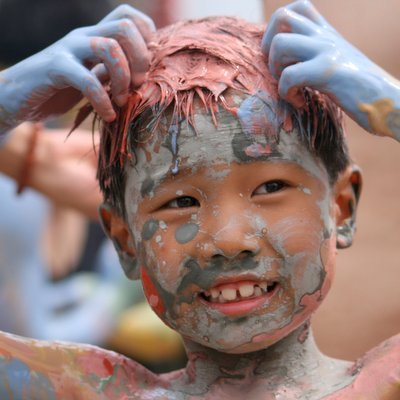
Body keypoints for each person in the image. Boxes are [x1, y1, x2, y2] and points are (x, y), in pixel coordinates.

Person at [0, 1, 399, 399]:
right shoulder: (89, 390)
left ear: (341, 208)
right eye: (181, 202)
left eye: (271, 188)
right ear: (125, 240)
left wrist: (388, 98)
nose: (229, 240)